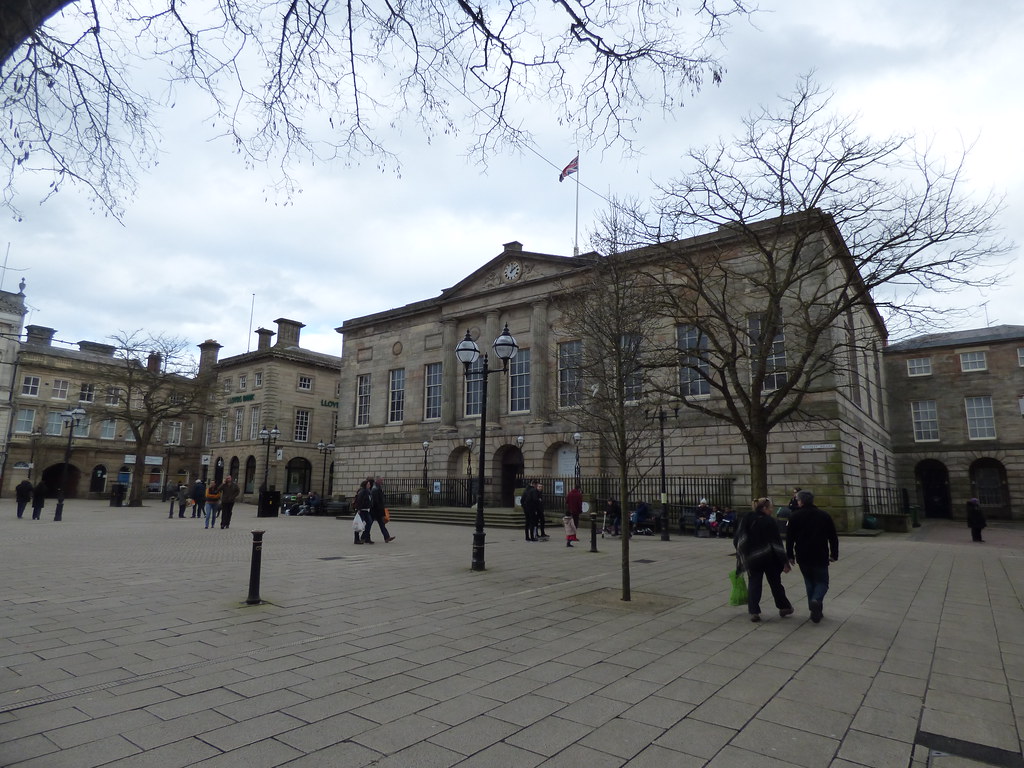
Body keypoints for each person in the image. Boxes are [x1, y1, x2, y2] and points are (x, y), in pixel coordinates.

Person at [734, 497, 794, 622]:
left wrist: (743, 552)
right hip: (770, 558)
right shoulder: (769, 521)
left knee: (754, 583)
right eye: (771, 508)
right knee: (775, 584)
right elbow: (776, 543)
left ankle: (754, 611)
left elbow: (739, 538)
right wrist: (784, 562)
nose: (772, 510)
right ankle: (784, 607)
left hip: (753, 558)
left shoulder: (747, 518)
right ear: (764, 508)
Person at [786, 489, 839, 624]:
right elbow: (833, 537)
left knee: (809, 582)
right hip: (820, 553)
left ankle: (814, 609)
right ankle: (816, 602)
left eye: (797, 500)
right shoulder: (824, 515)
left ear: (801, 501)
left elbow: (790, 538)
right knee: (822, 582)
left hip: (803, 554)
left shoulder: (794, 516)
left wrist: (790, 555)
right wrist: (834, 553)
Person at [365, 476, 395, 543]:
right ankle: (364, 537)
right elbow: (376, 502)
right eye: (381, 480)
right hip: (375, 511)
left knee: (381, 524)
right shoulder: (375, 488)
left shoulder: (377, 487)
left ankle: (387, 537)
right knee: (369, 524)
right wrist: (381, 511)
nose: (382, 482)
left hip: (377, 510)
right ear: (377, 480)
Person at [353, 480, 371, 544]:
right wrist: (359, 509)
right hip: (362, 510)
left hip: (366, 510)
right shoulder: (362, 491)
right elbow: (359, 500)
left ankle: (366, 537)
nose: (369, 485)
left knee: (369, 523)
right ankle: (356, 539)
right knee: (358, 524)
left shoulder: (368, 491)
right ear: (365, 485)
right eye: (368, 484)